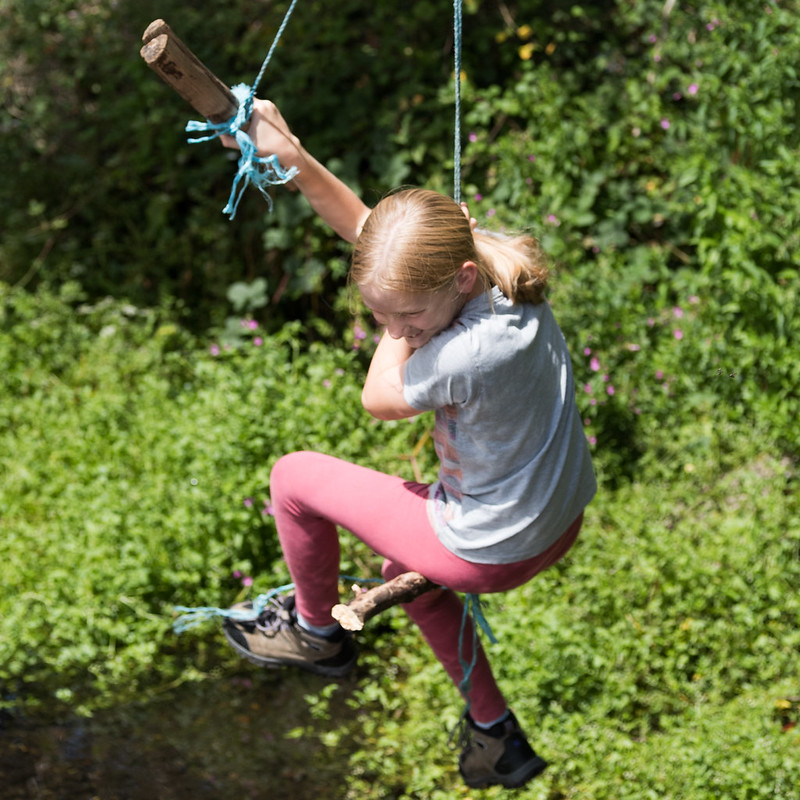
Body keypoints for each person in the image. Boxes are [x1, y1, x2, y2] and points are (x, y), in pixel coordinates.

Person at [218, 99, 597, 790]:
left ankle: (315, 634)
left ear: (455, 280)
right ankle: (496, 735)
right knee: (400, 562)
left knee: (294, 476)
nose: (396, 327)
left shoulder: (471, 351)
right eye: (380, 312)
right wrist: (294, 159)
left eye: (408, 313)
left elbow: (377, 401)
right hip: (556, 518)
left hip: (495, 544)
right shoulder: (497, 274)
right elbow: (374, 233)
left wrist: (393, 323)